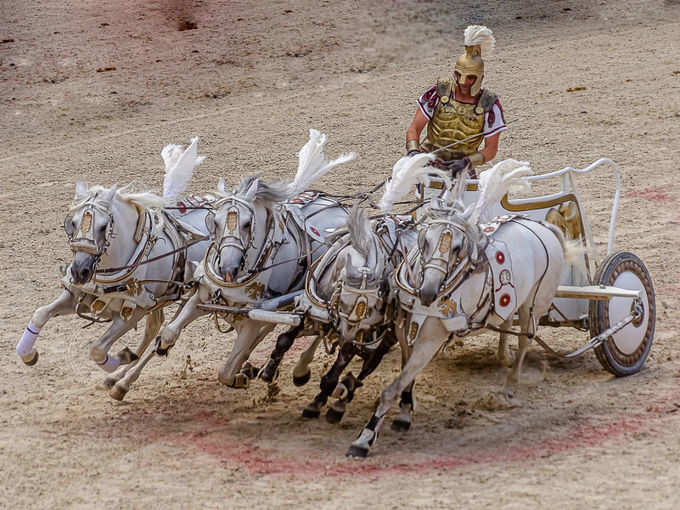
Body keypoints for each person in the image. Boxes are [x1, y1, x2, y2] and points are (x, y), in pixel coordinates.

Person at [405, 25, 506, 179]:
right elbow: (414, 128)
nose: (462, 82)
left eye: (470, 77)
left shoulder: (489, 104)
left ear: (479, 77)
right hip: (430, 166)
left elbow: (491, 149)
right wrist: (413, 151)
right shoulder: (438, 93)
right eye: (458, 75)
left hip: (461, 170)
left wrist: (466, 162)